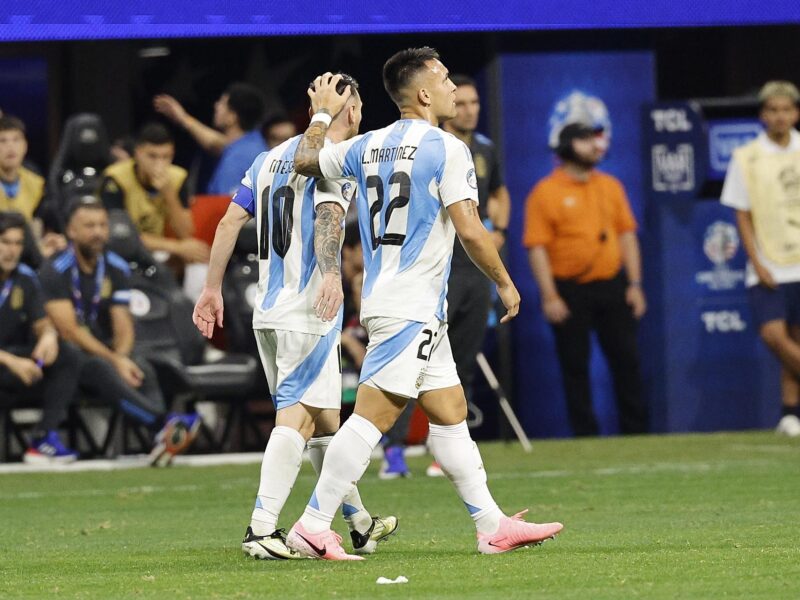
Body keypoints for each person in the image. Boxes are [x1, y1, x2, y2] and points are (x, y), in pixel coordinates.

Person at [286, 48, 563, 560]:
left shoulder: (367, 145)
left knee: (451, 410)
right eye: (445, 79)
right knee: (372, 419)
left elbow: (304, 161)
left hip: (397, 301)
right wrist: (505, 282)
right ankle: (311, 525)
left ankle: (491, 525)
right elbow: (472, 231)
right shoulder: (447, 148)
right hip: (409, 305)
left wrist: (321, 115)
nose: (455, 88)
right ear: (423, 94)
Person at [192, 73, 397, 561]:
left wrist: (210, 288)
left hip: (268, 309)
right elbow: (329, 217)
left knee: (327, 420)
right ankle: (261, 528)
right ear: (351, 110)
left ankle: (359, 522)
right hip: (308, 309)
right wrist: (330, 275)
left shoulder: (266, 158)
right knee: (298, 419)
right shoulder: (334, 157)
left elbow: (228, 222)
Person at [380, 74, 513, 479]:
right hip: (437, 268)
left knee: (461, 362)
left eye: (475, 102)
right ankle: (396, 450)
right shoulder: (433, 146)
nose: (469, 107)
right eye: (463, 99)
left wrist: (501, 228)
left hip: (472, 270)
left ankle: (444, 450)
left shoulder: (485, 150)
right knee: (409, 367)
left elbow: (499, 193)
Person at [40, 197, 200, 466]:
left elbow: (122, 322)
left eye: (102, 225)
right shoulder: (55, 269)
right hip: (65, 356)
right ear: (71, 231)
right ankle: (162, 424)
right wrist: (114, 361)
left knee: (142, 366)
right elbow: (68, 330)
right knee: (99, 369)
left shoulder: (116, 266)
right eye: (89, 226)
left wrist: (123, 358)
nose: (99, 232)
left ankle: (160, 442)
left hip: (101, 349)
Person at [523, 121, 648, 437]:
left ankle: (637, 432)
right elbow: (537, 247)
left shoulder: (611, 186)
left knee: (627, 361)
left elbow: (627, 236)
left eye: (596, 140)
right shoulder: (545, 192)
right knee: (574, 367)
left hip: (612, 285)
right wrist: (550, 296)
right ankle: (585, 435)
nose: (595, 146)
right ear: (567, 147)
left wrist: (634, 284)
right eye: (585, 140)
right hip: (569, 290)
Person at [721, 80, 800, 437]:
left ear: (795, 113)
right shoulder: (747, 157)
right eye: (773, 110)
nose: (780, 117)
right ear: (763, 115)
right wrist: (757, 261)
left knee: (795, 341)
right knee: (773, 335)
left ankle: (790, 413)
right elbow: (742, 214)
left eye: (786, 110)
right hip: (769, 262)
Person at [0, 211, 81, 463]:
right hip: (8, 362)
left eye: (17, 243)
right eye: (5, 242)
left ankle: (43, 438)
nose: (11, 250)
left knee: (69, 354)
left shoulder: (24, 277)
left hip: (16, 364)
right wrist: (11, 361)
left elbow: (41, 321)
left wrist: (48, 335)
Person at [98, 123, 210, 265]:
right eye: (152, 156)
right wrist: (177, 247)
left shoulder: (177, 177)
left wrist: (169, 194)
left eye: (166, 157)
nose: (160, 164)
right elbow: (119, 234)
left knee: (197, 260)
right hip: (124, 251)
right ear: (138, 153)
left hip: (162, 252)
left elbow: (185, 234)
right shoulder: (115, 178)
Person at [154, 83, 267, 195]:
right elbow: (215, 142)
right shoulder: (253, 143)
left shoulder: (238, 157)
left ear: (232, 117)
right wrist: (182, 117)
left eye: (222, 103)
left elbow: (224, 205)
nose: (216, 105)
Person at [0, 115, 66, 259]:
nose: (10, 147)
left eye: (16, 140)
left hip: (28, 254)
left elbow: (41, 225)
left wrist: (48, 239)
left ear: (25, 146)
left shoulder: (37, 184)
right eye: (3, 141)